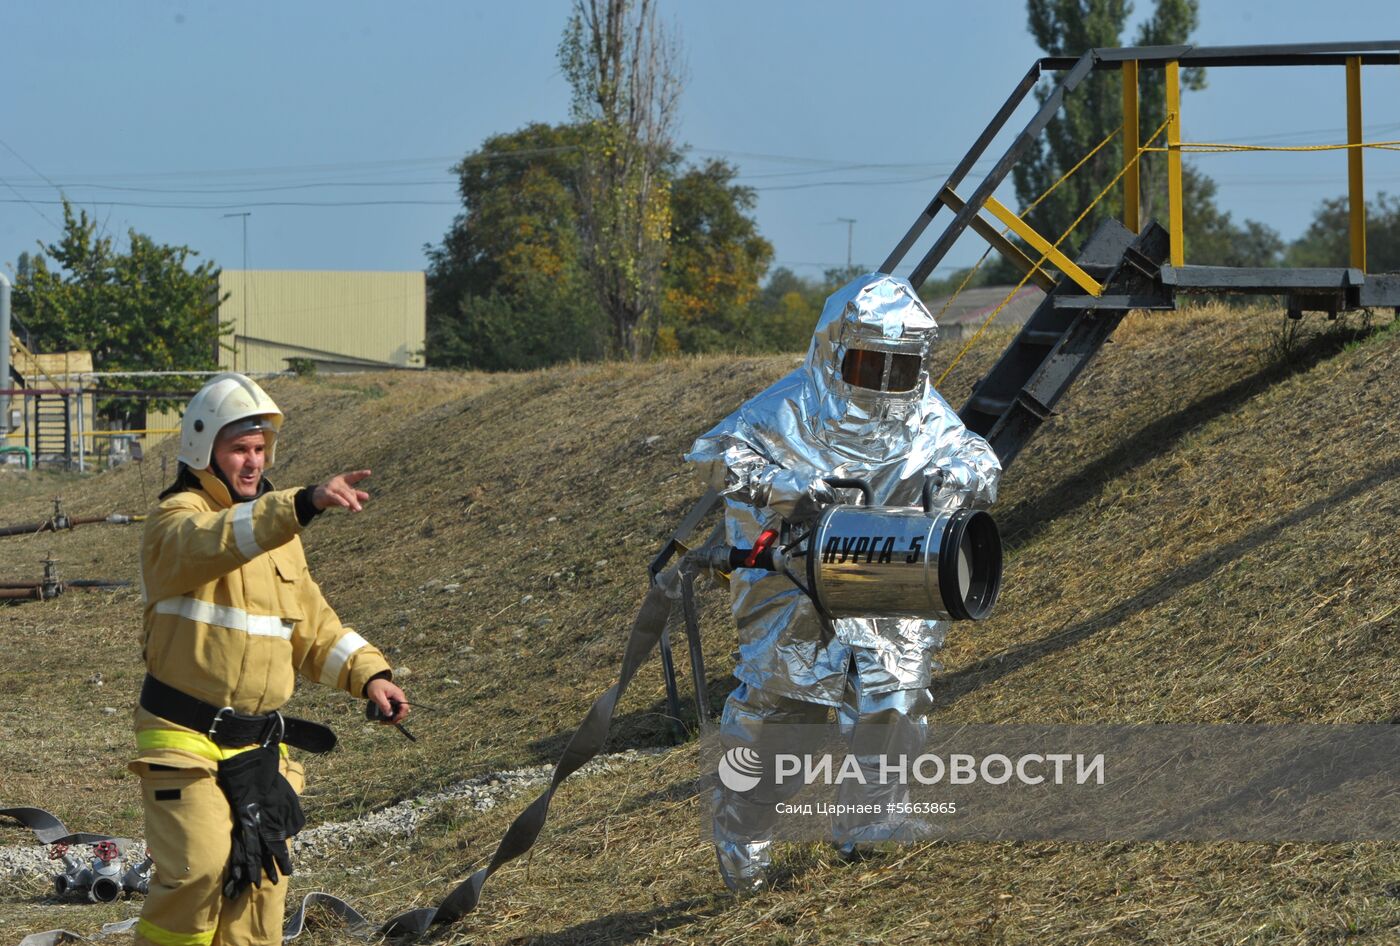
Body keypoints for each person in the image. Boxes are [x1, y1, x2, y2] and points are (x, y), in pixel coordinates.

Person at [686, 272, 1001, 894]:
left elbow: (977, 456)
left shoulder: (923, 414)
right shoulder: (790, 405)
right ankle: (743, 835)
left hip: (892, 582)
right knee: (784, 719)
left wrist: (956, 482)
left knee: (894, 699)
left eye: (899, 366)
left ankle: (873, 824)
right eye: (868, 362)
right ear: (834, 352)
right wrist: (791, 492)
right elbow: (719, 457)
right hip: (795, 589)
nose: (884, 383)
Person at [130, 372, 408, 946]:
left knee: (260, 894)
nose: (253, 462)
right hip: (185, 739)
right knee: (199, 870)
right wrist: (303, 502)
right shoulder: (175, 523)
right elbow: (219, 538)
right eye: (239, 449)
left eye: (260, 449)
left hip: (259, 746)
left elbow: (312, 627)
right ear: (203, 450)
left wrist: (370, 676)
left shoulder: (277, 532)